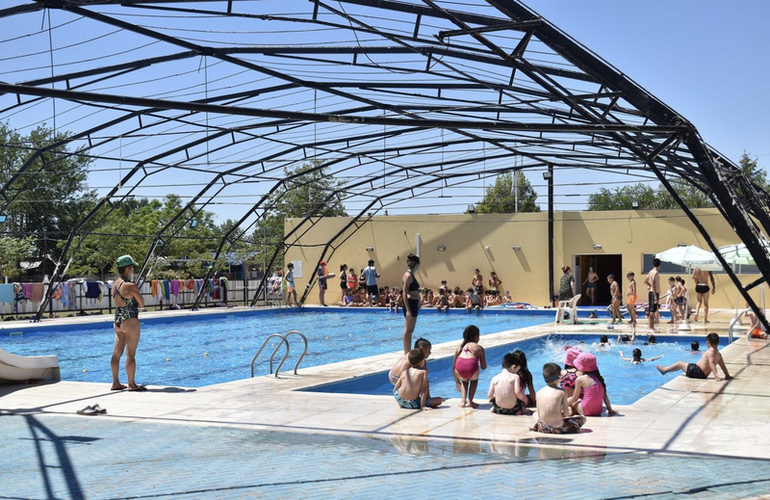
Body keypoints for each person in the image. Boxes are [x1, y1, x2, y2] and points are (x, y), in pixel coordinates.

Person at [111, 255, 147, 392]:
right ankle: (131, 384)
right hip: (130, 320)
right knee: (130, 354)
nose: (133, 270)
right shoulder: (131, 285)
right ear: (127, 268)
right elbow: (141, 304)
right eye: (132, 267)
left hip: (118, 320)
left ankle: (115, 383)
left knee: (116, 353)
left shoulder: (115, 284)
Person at [530, 363, 586, 434]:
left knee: (534, 414)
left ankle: (537, 426)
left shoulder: (538, 392)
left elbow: (539, 414)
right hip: (559, 428)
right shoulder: (562, 392)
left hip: (543, 427)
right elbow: (566, 413)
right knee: (583, 418)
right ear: (558, 377)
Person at [388, 338, 443, 408]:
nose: (430, 353)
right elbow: (424, 388)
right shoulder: (422, 363)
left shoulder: (411, 355)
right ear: (422, 348)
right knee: (422, 379)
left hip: (392, 374)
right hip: (401, 379)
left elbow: (395, 390)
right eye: (428, 350)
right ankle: (424, 399)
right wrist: (427, 399)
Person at [657, 332, 733, 381]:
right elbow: (723, 366)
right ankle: (665, 370)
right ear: (718, 342)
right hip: (703, 374)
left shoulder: (710, 352)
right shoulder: (719, 354)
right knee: (686, 364)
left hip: (696, 371)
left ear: (707, 343)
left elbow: (712, 363)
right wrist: (727, 375)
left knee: (680, 363)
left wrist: (716, 375)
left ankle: (665, 370)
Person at [453, 324, 487, 408]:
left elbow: (454, 366)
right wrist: (478, 363)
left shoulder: (459, 347)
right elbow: (483, 367)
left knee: (464, 381)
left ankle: (463, 401)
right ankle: (470, 401)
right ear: (476, 336)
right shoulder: (478, 348)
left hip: (459, 369)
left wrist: (457, 382)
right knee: (474, 380)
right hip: (471, 369)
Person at [401, 253, 421, 354]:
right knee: (408, 330)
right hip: (410, 304)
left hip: (414, 303)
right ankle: (406, 353)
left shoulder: (412, 275)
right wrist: (408, 310)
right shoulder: (408, 276)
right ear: (416, 264)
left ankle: (408, 351)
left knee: (411, 330)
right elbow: (404, 293)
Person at [644, 258, 661, 333]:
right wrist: (655, 296)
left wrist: (650, 286)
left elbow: (645, 281)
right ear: (659, 266)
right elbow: (653, 284)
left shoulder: (650, 272)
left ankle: (651, 326)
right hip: (654, 293)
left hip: (651, 292)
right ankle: (651, 327)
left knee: (652, 310)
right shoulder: (656, 273)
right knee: (652, 311)